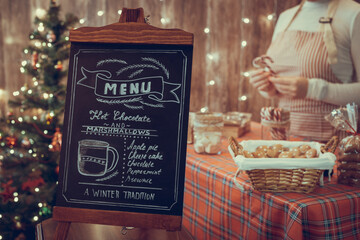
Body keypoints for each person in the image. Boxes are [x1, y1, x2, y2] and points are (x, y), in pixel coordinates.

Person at [249, 0, 360, 142]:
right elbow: (274, 79)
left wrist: (312, 89)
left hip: (333, 145)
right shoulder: (285, 17)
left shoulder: (354, 14)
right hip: (284, 141)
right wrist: (267, 87)